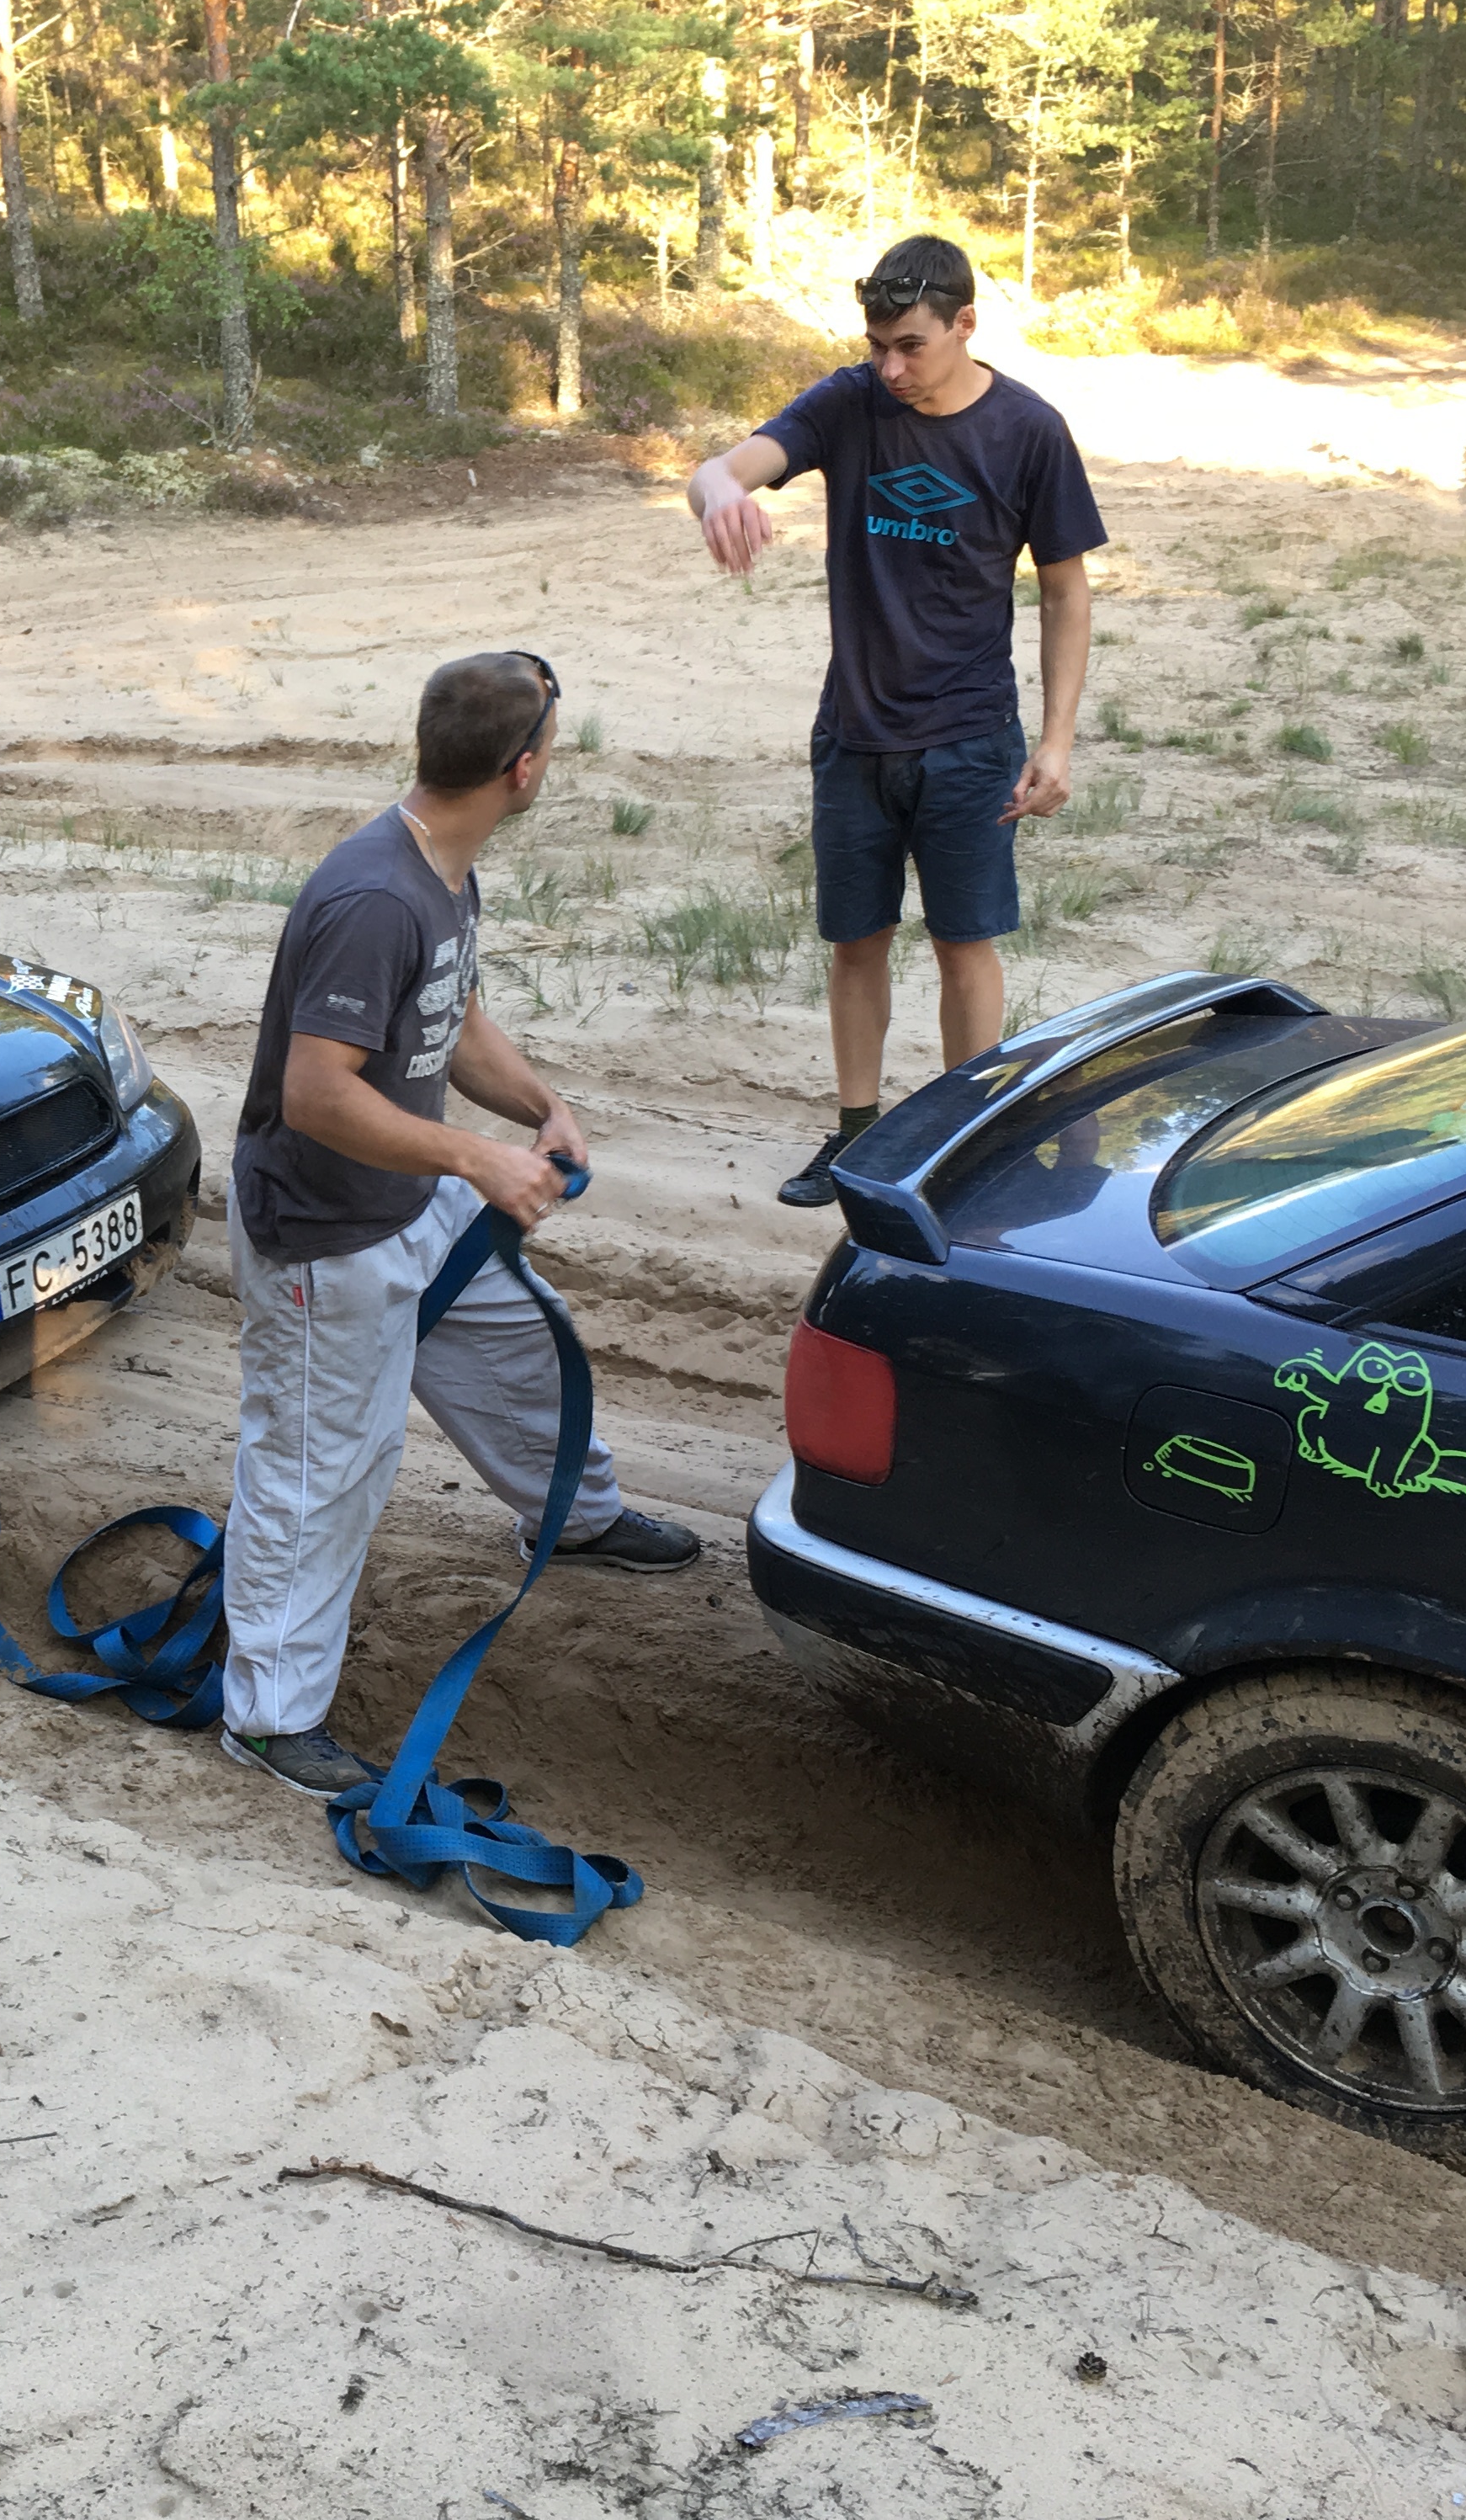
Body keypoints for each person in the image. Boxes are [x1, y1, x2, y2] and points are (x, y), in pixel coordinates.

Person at [220, 650, 701, 1799]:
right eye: (553, 745)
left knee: (523, 1342)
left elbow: (455, 1018)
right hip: (324, 1236)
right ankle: (270, 1720)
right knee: (321, 1471)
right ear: (522, 768)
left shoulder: (444, 869)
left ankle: (573, 1517)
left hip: (408, 1202)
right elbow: (317, 1095)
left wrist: (539, 1108)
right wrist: (477, 1159)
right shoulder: (377, 898)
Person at [684, 234, 1107, 1208]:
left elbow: (1068, 592)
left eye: (911, 346)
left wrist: (1056, 741)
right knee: (857, 942)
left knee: (965, 945)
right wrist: (719, 498)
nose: (891, 368)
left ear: (966, 324)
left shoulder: (1029, 432)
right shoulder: (850, 404)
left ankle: (969, 1143)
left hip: (970, 739)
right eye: (877, 346)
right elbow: (721, 470)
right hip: (854, 736)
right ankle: (854, 1137)